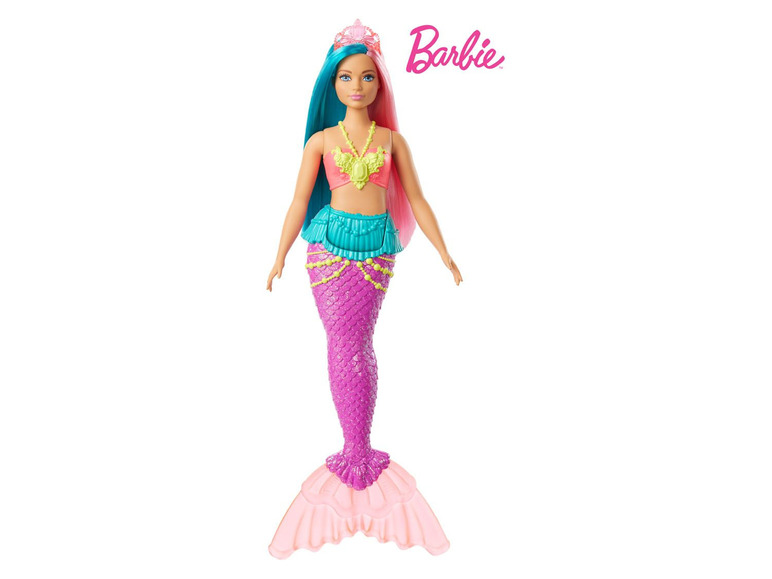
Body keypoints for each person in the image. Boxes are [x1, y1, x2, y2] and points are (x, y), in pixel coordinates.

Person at [266, 19, 461, 558]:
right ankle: (355, 449)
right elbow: (298, 200)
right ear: (332, 84)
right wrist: (280, 254)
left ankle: (359, 448)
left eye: (367, 76)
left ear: (380, 83)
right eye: (346, 77)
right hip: (328, 249)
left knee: (359, 342)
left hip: (376, 249)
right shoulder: (321, 141)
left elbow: (418, 200)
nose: (357, 85)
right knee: (342, 342)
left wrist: (444, 252)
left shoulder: (393, 142)